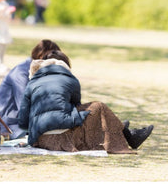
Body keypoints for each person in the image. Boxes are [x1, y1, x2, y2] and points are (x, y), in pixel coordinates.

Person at [18, 50, 154, 153]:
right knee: (98, 106)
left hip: (40, 141)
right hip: (62, 139)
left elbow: (23, 122)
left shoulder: (32, 83)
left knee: (89, 112)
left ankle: (118, 127)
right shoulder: (71, 80)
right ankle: (127, 134)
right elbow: (76, 109)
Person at [0, 39, 61, 139]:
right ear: (41, 57)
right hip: (7, 123)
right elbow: (25, 106)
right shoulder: (21, 73)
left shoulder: (37, 71)